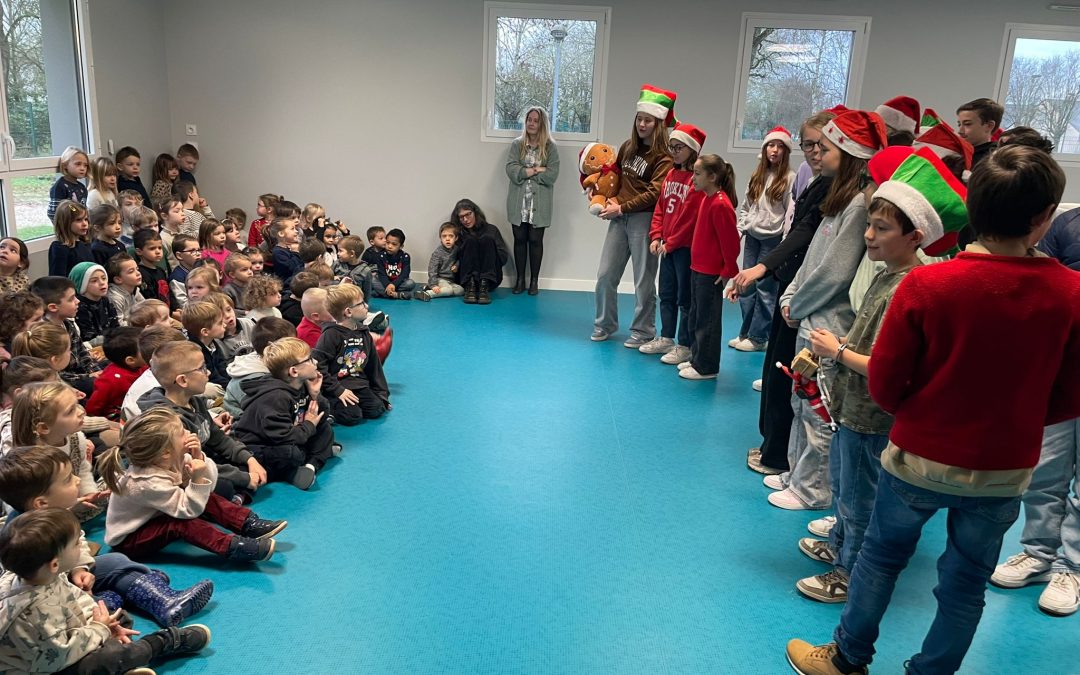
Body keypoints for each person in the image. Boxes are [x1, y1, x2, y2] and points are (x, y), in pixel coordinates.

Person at [785, 145, 1080, 675]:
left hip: (919, 455)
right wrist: (1019, 421)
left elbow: (887, 384)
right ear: (1043, 220)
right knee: (966, 583)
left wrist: (923, 414)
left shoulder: (928, 285)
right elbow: (1070, 393)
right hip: (1005, 467)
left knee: (880, 557)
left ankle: (848, 657)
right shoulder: (1071, 292)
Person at [795, 147, 969, 605]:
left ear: (915, 237)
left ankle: (849, 571)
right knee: (844, 486)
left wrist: (837, 350)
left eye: (882, 228)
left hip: (873, 418)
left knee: (859, 498)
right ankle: (840, 543)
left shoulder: (909, 289)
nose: (868, 236)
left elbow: (891, 366)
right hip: (853, 410)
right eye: (869, 225)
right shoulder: (885, 276)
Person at [771, 111, 887, 511]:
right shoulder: (835, 198)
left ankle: (812, 488)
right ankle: (794, 474)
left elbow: (835, 274)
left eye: (826, 146)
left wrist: (798, 304)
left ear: (849, 152)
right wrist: (791, 297)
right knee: (800, 401)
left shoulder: (857, 205)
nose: (816, 153)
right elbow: (811, 262)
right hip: (809, 317)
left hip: (829, 323)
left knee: (818, 411)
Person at [0, 446, 214, 628]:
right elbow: (33, 584)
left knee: (115, 561)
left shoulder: (56, 513)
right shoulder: (23, 534)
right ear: (40, 503)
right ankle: (122, 595)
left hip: (66, 575)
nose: (77, 480)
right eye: (67, 480)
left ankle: (165, 602)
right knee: (106, 596)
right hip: (49, 596)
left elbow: (77, 542)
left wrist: (79, 568)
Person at [0, 508, 212, 673]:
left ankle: (124, 662)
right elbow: (56, 656)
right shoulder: (33, 611)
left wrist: (103, 624)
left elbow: (73, 600)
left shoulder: (41, 575)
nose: (81, 548)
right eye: (76, 545)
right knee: (108, 658)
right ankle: (160, 643)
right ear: (55, 564)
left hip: (67, 637)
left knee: (120, 619)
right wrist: (99, 630)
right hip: (48, 666)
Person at [99, 407, 285, 562]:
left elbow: (208, 488)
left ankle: (247, 524)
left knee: (206, 495)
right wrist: (196, 479)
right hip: (130, 540)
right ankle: (233, 547)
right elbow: (189, 511)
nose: (189, 434)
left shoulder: (173, 458)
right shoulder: (146, 482)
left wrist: (199, 458)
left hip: (155, 516)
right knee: (179, 524)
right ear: (165, 452)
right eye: (182, 433)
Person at [592, 84, 676, 345]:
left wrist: (622, 206)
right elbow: (614, 177)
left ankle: (643, 331)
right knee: (606, 274)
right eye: (639, 119)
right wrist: (603, 193)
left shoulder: (664, 157)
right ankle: (605, 324)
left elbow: (655, 193)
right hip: (619, 217)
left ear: (658, 123)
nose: (642, 124)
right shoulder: (628, 147)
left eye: (647, 120)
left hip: (644, 220)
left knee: (643, 280)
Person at [137, 341, 267, 503]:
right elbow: (191, 467)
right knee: (223, 486)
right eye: (201, 368)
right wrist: (244, 478)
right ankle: (238, 494)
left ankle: (240, 494)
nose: (209, 372)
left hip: (206, 461)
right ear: (183, 380)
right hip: (184, 474)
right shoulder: (170, 421)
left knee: (254, 456)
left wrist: (249, 459)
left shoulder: (195, 402)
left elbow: (218, 438)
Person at [232, 337, 337, 490]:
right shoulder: (275, 397)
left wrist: (315, 395)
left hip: (293, 433)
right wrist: (308, 425)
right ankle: (297, 468)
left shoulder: (301, 384)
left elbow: (322, 414)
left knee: (326, 429)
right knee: (292, 454)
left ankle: (310, 465)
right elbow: (282, 436)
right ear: (294, 371)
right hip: (261, 445)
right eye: (309, 360)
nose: (315, 362)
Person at [639, 123, 705, 363]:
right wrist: (656, 235)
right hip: (667, 245)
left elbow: (688, 218)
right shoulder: (670, 174)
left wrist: (672, 242)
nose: (674, 152)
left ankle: (684, 344)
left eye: (679, 147)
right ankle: (666, 337)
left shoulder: (695, 181)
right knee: (666, 293)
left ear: (691, 149)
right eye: (672, 147)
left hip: (684, 248)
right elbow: (660, 208)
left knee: (684, 297)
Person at [731, 126, 795, 352]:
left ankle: (759, 337)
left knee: (766, 289)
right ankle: (745, 332)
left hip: (773, 241)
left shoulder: (789, 178)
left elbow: (790, 213)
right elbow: (747, 207)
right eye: (771, 145)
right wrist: (740, 229)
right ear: (765, 148)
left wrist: (786, 242)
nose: (774, 150)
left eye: (779, 146)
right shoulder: (757, 176)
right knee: (745, 285)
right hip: (752, 237)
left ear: (786, 151)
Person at [676, 155, 740, 381]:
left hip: (711, 273)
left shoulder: (721, 204)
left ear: (712, 177)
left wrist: (727, 272)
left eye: (697, 173)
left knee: (707, 320)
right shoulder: (706, 198)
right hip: (698, 268)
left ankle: (707, 366)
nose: (692, 178)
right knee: (696, 315)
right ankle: (697, 358)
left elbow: (731, 243)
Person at [313, 284, 390, 424]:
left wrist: (382, 394)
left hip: (359, 384)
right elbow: (318, 367)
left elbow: (374, 366)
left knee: (377, 409)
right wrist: (338, 391)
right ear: (348, 312)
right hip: (337, 386)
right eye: (361, 303)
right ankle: (327, 407)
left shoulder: (363, 332)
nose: (366, 305)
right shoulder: (330, 335)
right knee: (352, 417)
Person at [505, 106, 560, 295]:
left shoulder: (550, 147)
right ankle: (520, 279)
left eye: (536, 120)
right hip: (518, 203)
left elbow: (552, 174)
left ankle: (534, 281)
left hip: (539, 204)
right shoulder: (517, 144)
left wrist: (527, 171)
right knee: (519, 238)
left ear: (542, 124)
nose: (531, 123)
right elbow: (512, 170)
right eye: (529, 119)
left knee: (535, 240)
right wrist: (537, 169)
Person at [450, 199, 509, 304]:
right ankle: (471, 285)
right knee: (470, 241)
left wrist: (485, 251)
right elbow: (452, 259)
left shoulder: (491, 229)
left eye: (468, 214)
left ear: (475, 213)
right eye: (461, 217)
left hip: (490, 279)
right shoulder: (458, 234)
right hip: (465, 280)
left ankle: (484, 284)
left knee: (487, 239)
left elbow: (503, 258)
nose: (466, 219)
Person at [70, 262, 119, 350]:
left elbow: (115, 325)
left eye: (104, 278)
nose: (102, 283)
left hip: (110, 341)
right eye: (94, 281)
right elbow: (89, 337)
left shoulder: (105, 300)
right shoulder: (80, 307)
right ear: (82, 285)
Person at [415, 223, 464, 301]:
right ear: (440, 238)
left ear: (456, 238)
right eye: (444, 236)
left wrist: (456, 265)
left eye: (451, 236)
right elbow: (432, 269)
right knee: (449, 290)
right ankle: (428, 293)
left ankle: (434, 288)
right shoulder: (438, 253)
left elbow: (460, 259)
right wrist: (434, 284)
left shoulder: (456, 249)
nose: (447, 239)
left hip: (450, 280)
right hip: (440, 279)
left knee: (461, 290)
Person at [48, 200, 94, 278]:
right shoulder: (59, 247)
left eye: (85, 219)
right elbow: (58, 278)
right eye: (78, 220)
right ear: (66, 222)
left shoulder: (85, 244)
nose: (84, 224)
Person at [956, 97, 1003, 168]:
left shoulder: (993, 161)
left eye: (967, 124)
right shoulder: (960, 152)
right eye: (959, 124)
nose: (960, 131)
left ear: (989, 126)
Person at [48, 146, 89, 221]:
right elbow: (53, 213)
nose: (82, 168)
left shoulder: (82, 187)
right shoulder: (60, 186)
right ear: (65, 165)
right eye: (78, 164)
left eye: (85, 165)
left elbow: (83, 209)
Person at [372, 228, 414, 300]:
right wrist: (388, 285)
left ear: (401, 246)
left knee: (410, 283)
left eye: (394, 244)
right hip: (384, 282)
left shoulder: (405, 256)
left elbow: (404, 274)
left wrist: (393, 284)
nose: (390, 246)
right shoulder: (380, 256)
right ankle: (397, 294)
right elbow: (382, 274)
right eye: (388, 243)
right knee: (372, 280)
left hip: (398, 283)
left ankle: (382, 293)